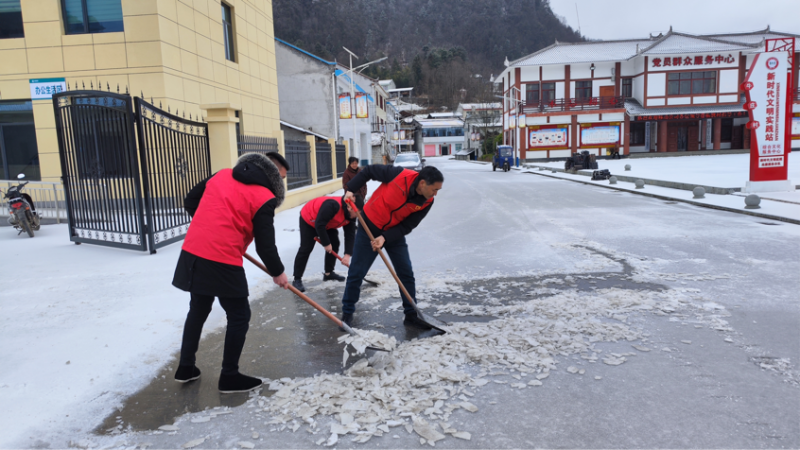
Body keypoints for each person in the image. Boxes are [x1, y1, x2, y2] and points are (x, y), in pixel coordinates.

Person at [171, 151, 290, 393]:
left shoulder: (222, 175)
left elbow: (190, 200)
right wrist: (278, 272)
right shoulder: (264, 197)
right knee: (239, 316)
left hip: (193, 251)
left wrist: (211, 225)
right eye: (282, 177)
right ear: (272, 174)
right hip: (221, 257)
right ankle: (229, 376)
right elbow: (265, 245)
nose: (283, 182)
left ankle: (186, 368)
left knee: (199, 308)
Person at [340, 164, 444, 329]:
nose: (435, 194)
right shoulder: (398, 175)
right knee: (357, 272)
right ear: (423, 183)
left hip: (393, 233)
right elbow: (368, 171)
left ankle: (411, 315)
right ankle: (347, 314)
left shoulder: (427, 202)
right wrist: (350, 189)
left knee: (406, 273)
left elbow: (408, 225)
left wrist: (385, 238)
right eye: (434, 189)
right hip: (369, 225)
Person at [291, 193, 364, 292]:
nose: (359, 216)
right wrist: (326, 243)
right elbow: (319, 224)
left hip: (327, 222)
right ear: (350, 208)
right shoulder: (332, 206)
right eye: (358, 212)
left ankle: (329, 273)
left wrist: (347, 254)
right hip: (310, 218)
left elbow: (350, 235)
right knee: (306, 248)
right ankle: (297, 279)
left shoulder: (351, 216)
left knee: (334, 243)